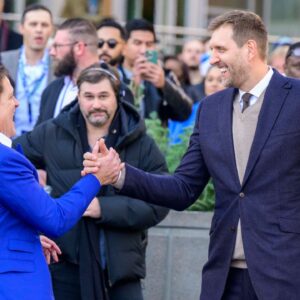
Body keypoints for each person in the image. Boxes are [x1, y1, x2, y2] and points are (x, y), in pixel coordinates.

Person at [84, 10, 300, 300]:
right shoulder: (210, 109)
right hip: (223, 279)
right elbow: (184, 188)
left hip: (286, 275)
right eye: (211, 49)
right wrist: (120, 175)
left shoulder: (296, 98)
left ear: (250, 49)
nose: (212, 59)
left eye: (220, 49)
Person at [15, 64, 169, 300]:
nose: (96, 104)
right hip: (64, 267)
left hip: (121, 271)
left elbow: (160, 201)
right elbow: (10, 159)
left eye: (103, 96)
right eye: (88, 96)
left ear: (117, 96)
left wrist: (102, 208)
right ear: (78, 97)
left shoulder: (141, 143)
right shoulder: (51, 133)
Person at [0, 64, 121, 300]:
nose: (17, 103)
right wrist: (97, 178)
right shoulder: (6, 160)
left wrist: (27, 238)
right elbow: (54, 219)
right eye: (10, 96)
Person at [120, 18, 192, 126]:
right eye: (137, 43)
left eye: (149, 44)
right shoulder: (114, 75)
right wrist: (134, 85)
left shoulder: (165, 74)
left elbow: (185, 113)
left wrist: (164, 85)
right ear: (124, 46)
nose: (143, 50)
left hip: (156, 141)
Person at [1, 4, 54, 136]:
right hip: (9, 139)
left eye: (44, 25)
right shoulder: (3, 60)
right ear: (21, 28)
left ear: (51, 29)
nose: (39, 29)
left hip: (44, 143)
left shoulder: (59, 67)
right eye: (33, 24)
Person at [36, 18, 99, 126]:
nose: (51, 52)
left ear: (79, 48)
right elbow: (37, 138)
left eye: (57, 46)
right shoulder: (51, 90)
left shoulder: (116, 91)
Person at [168, 65, 224, 144]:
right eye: (210, 80)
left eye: (220, 80)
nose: (214, 84)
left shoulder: (232, 111)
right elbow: (174, 142)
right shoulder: (191, 110)